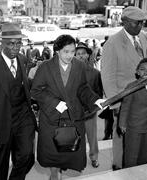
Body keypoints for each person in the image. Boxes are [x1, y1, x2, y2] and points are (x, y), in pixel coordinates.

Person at [31, 34, 105, 180]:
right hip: (52, 118)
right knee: (53, 156)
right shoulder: (45, 67)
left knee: (69, 154)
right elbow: (35, 90)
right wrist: (54, 103)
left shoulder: (79, 66)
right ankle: (54, 176)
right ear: (57, 51)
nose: (70, 55)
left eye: (72, 51)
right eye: (66, 52)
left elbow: (83, 88)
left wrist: (95, 100)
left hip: (72, 117)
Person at [0, 23, 37, 180]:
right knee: (1, 165)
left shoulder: (24, 60)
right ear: (1, 43)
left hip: (23, 119)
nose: (15, 47)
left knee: (27, 156)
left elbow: (26, 87)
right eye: (11, 43)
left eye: (18, 43)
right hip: (0, 123)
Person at [100, 6, 147, 170]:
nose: (140, 26)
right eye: (136, 23)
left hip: (143, 102)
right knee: (121, 137)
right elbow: (107, 77)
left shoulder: (143, 37)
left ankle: (138, 167)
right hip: (123, 101)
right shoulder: (112, 43)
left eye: (142, 23)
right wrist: (116, 104)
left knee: (139, 139)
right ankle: (119, 167)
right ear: (125, 22)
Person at [119, 58, 147, 168]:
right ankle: (129, 174)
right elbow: (125, 106)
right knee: (131, 154)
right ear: (137, 72)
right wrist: (122, 123)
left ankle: (140, 172)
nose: (146, 72)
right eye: (142, 69)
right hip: (133, 126)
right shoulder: (132, 86)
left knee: (144, 154)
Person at [75, 42, 103, 168]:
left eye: (83, 53)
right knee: (75, 138)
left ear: (88, 55)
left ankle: (94, 158)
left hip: (90, 112)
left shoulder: (95, 73)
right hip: (75, 112)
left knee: (92, 137)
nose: (80, 56)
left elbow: (98, 94)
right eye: (78, 54)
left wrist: (92, 110)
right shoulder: (69, 72)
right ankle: (77, 159)